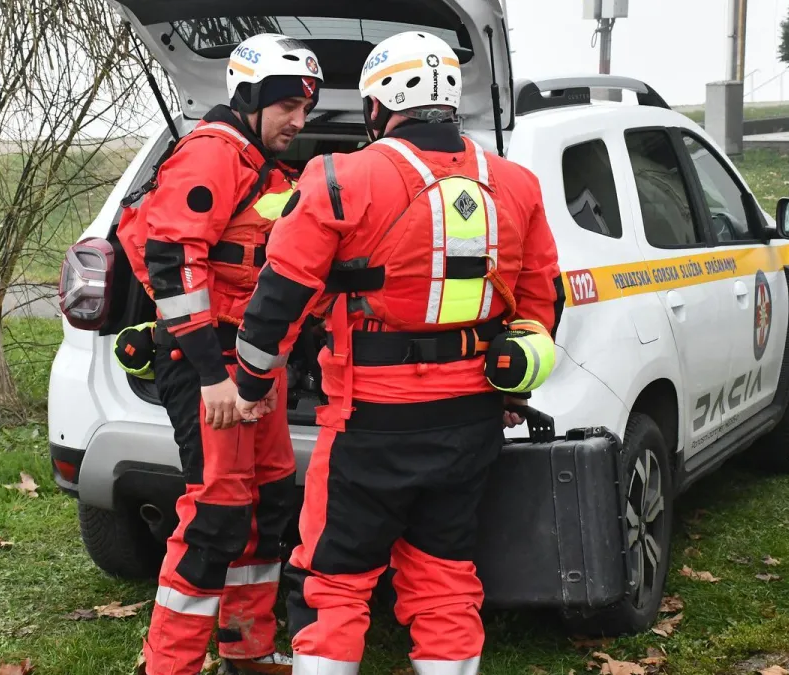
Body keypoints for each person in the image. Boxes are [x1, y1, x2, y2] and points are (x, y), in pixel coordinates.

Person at [231, 31, 565, 675]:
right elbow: (542, 304)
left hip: (366, 427)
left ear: (379, 105)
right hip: (471, 422)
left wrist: (249, 386)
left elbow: (277, 302)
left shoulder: (339, 176)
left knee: (333, 581)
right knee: (445, 577)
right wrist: (511, 394)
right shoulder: (516, 185)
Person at [115, 32, 324, 675]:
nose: (300, 119)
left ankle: (247, 648)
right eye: (289, 104)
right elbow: (172, 262)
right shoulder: (212, 155)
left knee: (265, 508)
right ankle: (168, 665)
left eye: (307, 106)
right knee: (215, 514)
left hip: (257, 367)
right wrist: (211, 375)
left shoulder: (263, 164)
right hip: (211, 367)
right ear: (253, 99)